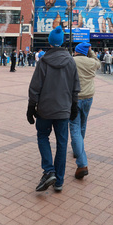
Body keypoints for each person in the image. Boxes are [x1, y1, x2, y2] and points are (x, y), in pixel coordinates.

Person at [27, 25, 80, 192]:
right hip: (64, 109)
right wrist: (74, 106)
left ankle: (49, 170)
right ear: (62, 42)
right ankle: (59, 181)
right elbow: (75, 87)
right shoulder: (71, 61)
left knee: (43, 136)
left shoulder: (43, 61)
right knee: (62, 143)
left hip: (45, 109)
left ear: (50, 42)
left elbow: (35, 86)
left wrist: (31, 106)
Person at [70, 42, 101, 180]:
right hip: (88, 97)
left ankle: (82, 162)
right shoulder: (91, 62)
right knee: (83, 124)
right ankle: (78, 150)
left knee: (74, 127)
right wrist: (91, 51)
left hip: (75, 98)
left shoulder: (72, 61)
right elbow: (98, 62)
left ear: (76, 51)